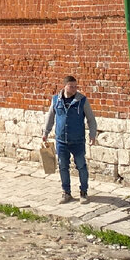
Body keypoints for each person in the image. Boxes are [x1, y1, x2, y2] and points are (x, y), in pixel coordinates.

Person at [41, 75, 98, 204]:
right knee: (63, 167)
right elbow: (50, 117)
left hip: (77, 140)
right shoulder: (56, 100)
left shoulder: (82, 100)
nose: (74, 89)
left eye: (75, 86)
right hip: (61, 140)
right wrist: (45, 133)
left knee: (81, 166)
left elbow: (91, 119)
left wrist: (92, 135)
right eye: (71, 86)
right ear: (65, 86)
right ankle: (66, 192)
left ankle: (84, 192)